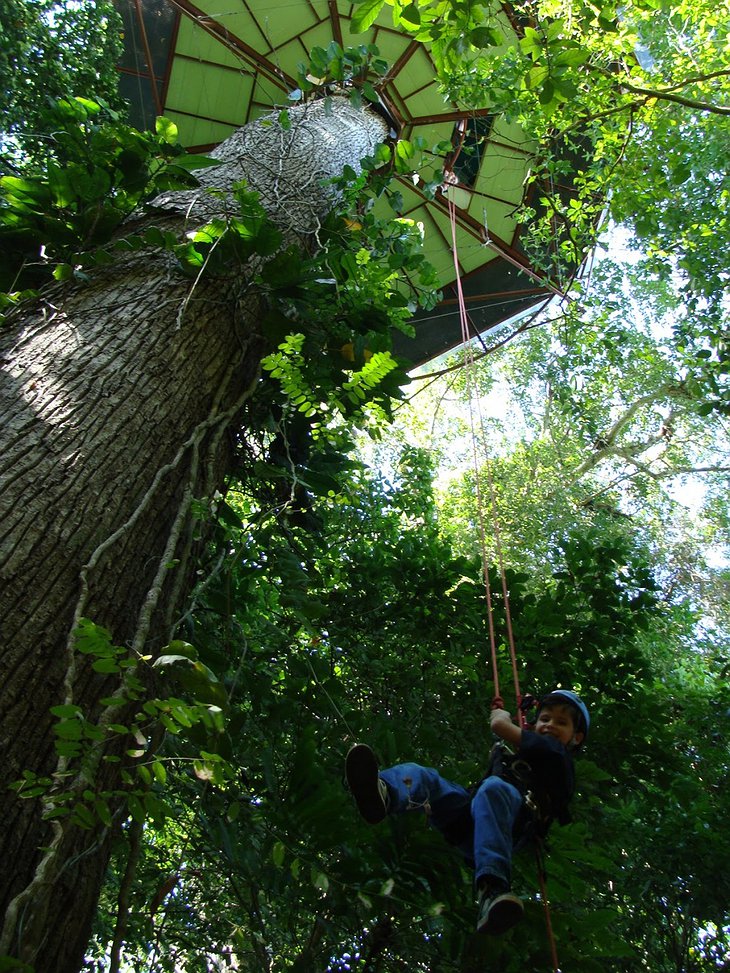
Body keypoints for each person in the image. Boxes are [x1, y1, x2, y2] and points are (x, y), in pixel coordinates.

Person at [345, 689, 589, 935]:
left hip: (510, 822)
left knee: (494, 789)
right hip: (476, 818)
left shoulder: (557, 753)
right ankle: (385, 794)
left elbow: (499, 726)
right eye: (545, 719)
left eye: (561, 722)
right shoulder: (528, 756)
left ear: (576, 738)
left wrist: (501, 718)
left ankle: (492, 889)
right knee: (425, 777)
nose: (550, 725)